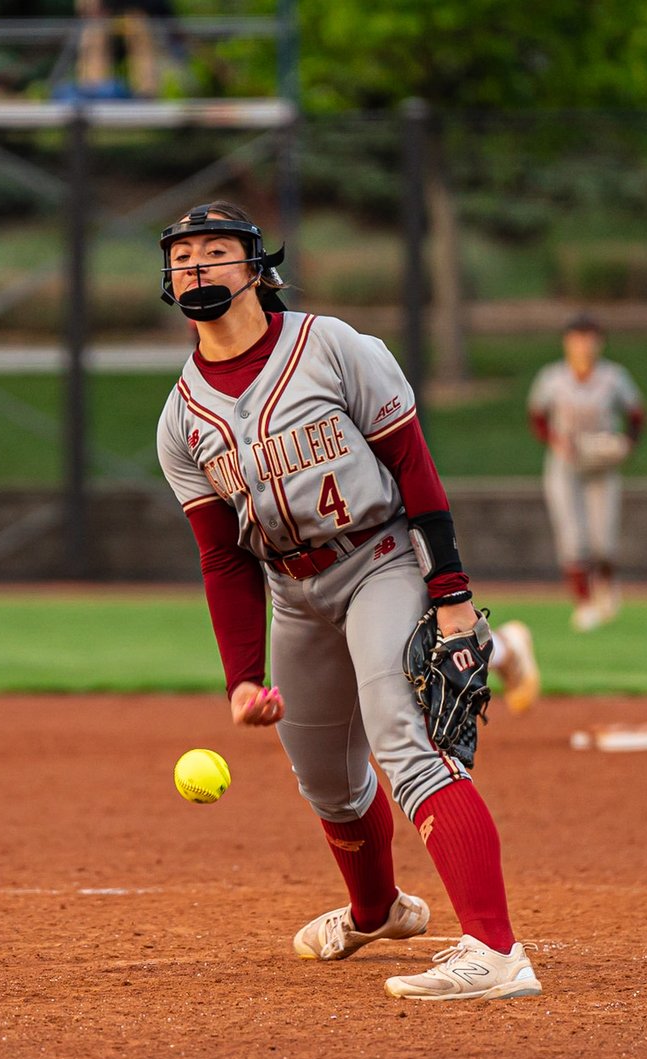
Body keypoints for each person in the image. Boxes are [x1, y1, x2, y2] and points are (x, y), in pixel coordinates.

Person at [156, 200, 542, 1002]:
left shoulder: (330, 347)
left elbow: (413, 467)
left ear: (255, 266)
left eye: (215, 250)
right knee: (326, 777)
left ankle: (497, 951)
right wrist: (242, 678)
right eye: (182, 256)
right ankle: (379, 912)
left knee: (405, 741)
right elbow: (222, 557)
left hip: (379, 560)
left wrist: (452, 594)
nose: (196, 267)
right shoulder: (181, 418)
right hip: (292, 590)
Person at [528, 314, 646, 631]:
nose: (584, 345)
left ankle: (606, 587)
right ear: (567, 342)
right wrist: (556, 440)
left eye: (590, 338)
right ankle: (584, 603)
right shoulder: (553, 377)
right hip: (566, 464)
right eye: (578, 338)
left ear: (600, 341)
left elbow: (636, 413)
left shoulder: (613, 377)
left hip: (603, 463)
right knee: (572, 537)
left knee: (603, 539)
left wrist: (627, 443)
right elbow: (537, 416)